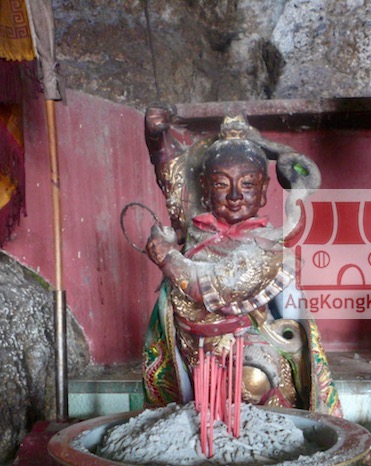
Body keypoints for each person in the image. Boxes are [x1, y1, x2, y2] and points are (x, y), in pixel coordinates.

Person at [142, 105, 341, 416]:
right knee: (188, 401)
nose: (235, 195)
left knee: (252, 379)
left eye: (247, 184)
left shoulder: (268, 248)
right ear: (205, 187)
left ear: (262, 191)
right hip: (192, 343)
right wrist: (157, 136)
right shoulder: (195, 228)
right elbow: (172, 176)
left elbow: (217, 287)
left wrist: (168, 258)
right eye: (222, 184)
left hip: (246, 343)